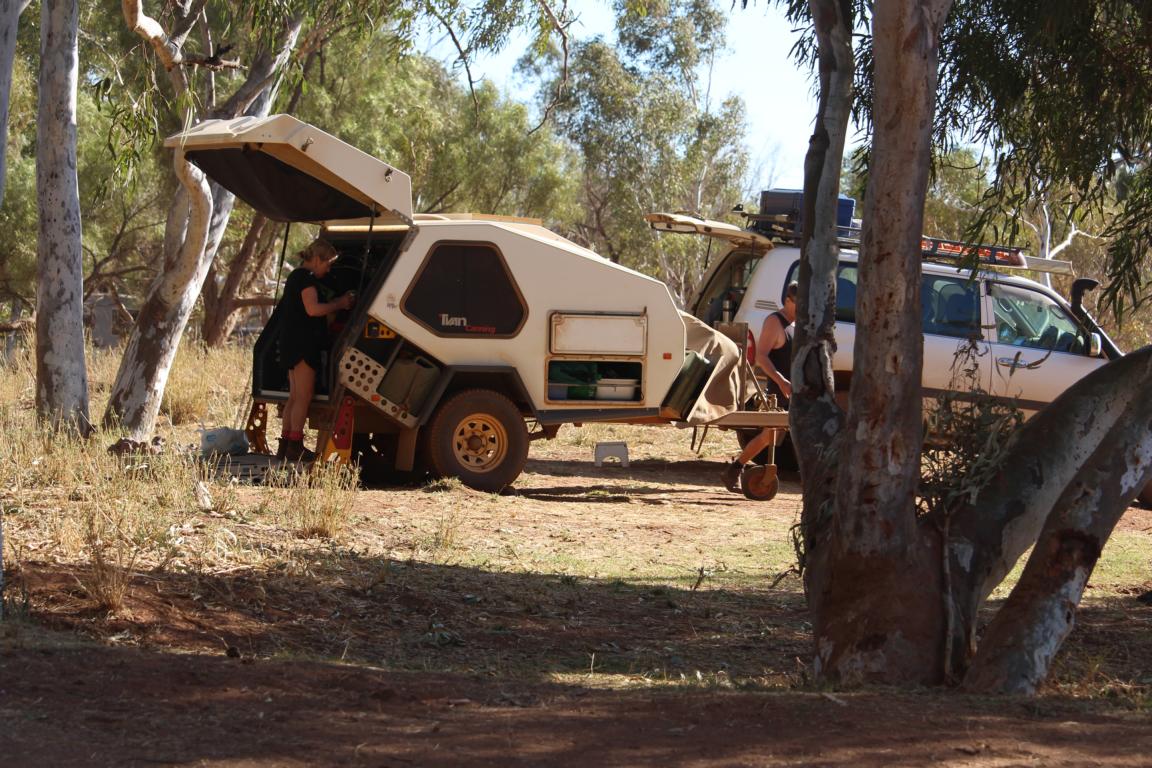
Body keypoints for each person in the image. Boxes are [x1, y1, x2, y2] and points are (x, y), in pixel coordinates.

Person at [277, 238, 356, 461]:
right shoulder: (306, 278)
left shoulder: (295, 277)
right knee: (303, 397)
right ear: (318, 260)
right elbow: (312, 309)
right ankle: (295, 445)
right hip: (303, 344)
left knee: (294, 397)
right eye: (328, 264)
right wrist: (340, 304)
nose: (328, 269)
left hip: (290, 342)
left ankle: (286, 445)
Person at [723, 281, 797, 491]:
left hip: (794, 390)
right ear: (788, 300)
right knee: (770, 435)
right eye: (799, 303)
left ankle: (735, 469)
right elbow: (762, 357)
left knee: (772, 436)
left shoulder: (795, 325)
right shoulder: (774, 322)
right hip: (779, 391)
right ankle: (735, 469)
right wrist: (781, 381)